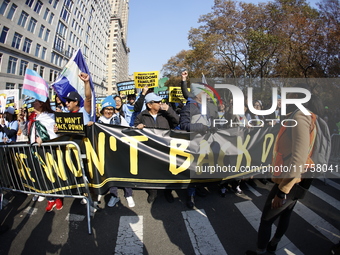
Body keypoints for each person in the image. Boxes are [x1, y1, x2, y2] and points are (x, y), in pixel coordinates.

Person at [246, 85, 323, 255]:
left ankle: (262, 251)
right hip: (298, 177)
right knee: (285, 213)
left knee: (266, 218)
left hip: (293, 179)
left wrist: (282, 191)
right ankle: (273, 244)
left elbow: (299, 156)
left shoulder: (301, 116)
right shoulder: (300, 115)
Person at [179, 71, 218, 209]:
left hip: (205, 144)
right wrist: (200, 127)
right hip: (193, 145)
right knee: (194, 170)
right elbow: (183, 125)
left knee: (202, 169)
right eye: (205, 92)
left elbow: (209, 123)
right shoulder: (189, 107)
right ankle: (190, 195)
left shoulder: (206, 108)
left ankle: (199, 188)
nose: (208, 94)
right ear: (198, 94)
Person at [89, 96, 135, 208]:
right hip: (106, 154)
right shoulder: (98, 121)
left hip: (119, 153)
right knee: (110, 175)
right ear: (102, 109)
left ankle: (128, 194)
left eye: (111, 109)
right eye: (107, 108)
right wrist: (89, 126)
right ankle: (114, 196)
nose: (109, 111)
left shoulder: (119, 119)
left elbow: (128, 131)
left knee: (124, 173)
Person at [134, 92, 179, 204]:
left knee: (167, 171)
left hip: (165, 149)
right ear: (150, 105)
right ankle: (152, 192)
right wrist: (137, 127)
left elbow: (177, 121)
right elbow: (134, 129)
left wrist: (169, 110)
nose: (160, 103)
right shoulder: (142, 116)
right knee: (151, 172)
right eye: (157, 102)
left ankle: (168, 192)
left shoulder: (165, 114)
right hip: (150, 151)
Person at [25, 98, 61, 211]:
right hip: (35, 151)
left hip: (48, 150)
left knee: (52, 174)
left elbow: (54, 133)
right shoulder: (32, 117)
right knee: (42, 175)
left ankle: (58, 197)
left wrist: (44, 139)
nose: (33, 103)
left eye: (35, 101)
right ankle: (50, 199)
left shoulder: (51, 116)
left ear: (41, 104)